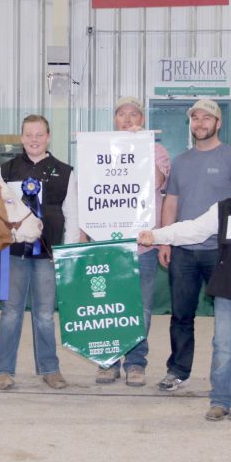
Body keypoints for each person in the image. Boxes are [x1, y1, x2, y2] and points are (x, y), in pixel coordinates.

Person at [138, 148, 231, 422]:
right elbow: (193, 229)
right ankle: (219, 399)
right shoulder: (224, 209)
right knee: (223, 346)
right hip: (226, 290)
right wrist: (157, 235)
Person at [156, 99, 231, 392]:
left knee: (228, 317)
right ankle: (178, 371)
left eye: (207, 118)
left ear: (218, 123)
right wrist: (165, 240)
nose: (200, 123)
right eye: (196, 118)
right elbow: (171, 202)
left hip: (222, 251)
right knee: (181, 315)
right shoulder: (181, 161)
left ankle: (228, 376)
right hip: (183, 253)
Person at [0, 114, 81, 391]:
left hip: (48, 256)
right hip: (14, 254)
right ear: (21, 138)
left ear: (48, 137)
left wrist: (68, 252)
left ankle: (49, 369)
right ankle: (3, 370)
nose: (34, 140)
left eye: (39, 135)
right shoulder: (5, 172)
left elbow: (72, 214)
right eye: (29, 135)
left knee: (44, 315)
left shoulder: (65, 172)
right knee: (10, 313)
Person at [94, 96, 171, 387]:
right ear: (114, 119)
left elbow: (157, 181)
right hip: (109, 243)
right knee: (108, 305)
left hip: (143, 244)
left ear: (143, 119)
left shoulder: (157, 150)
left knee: (141, 309)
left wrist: (140, 147)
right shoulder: (100, 148)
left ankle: (136, 362)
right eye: (122, 114)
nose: (127, 120)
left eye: (134, 114)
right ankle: (108, 361)